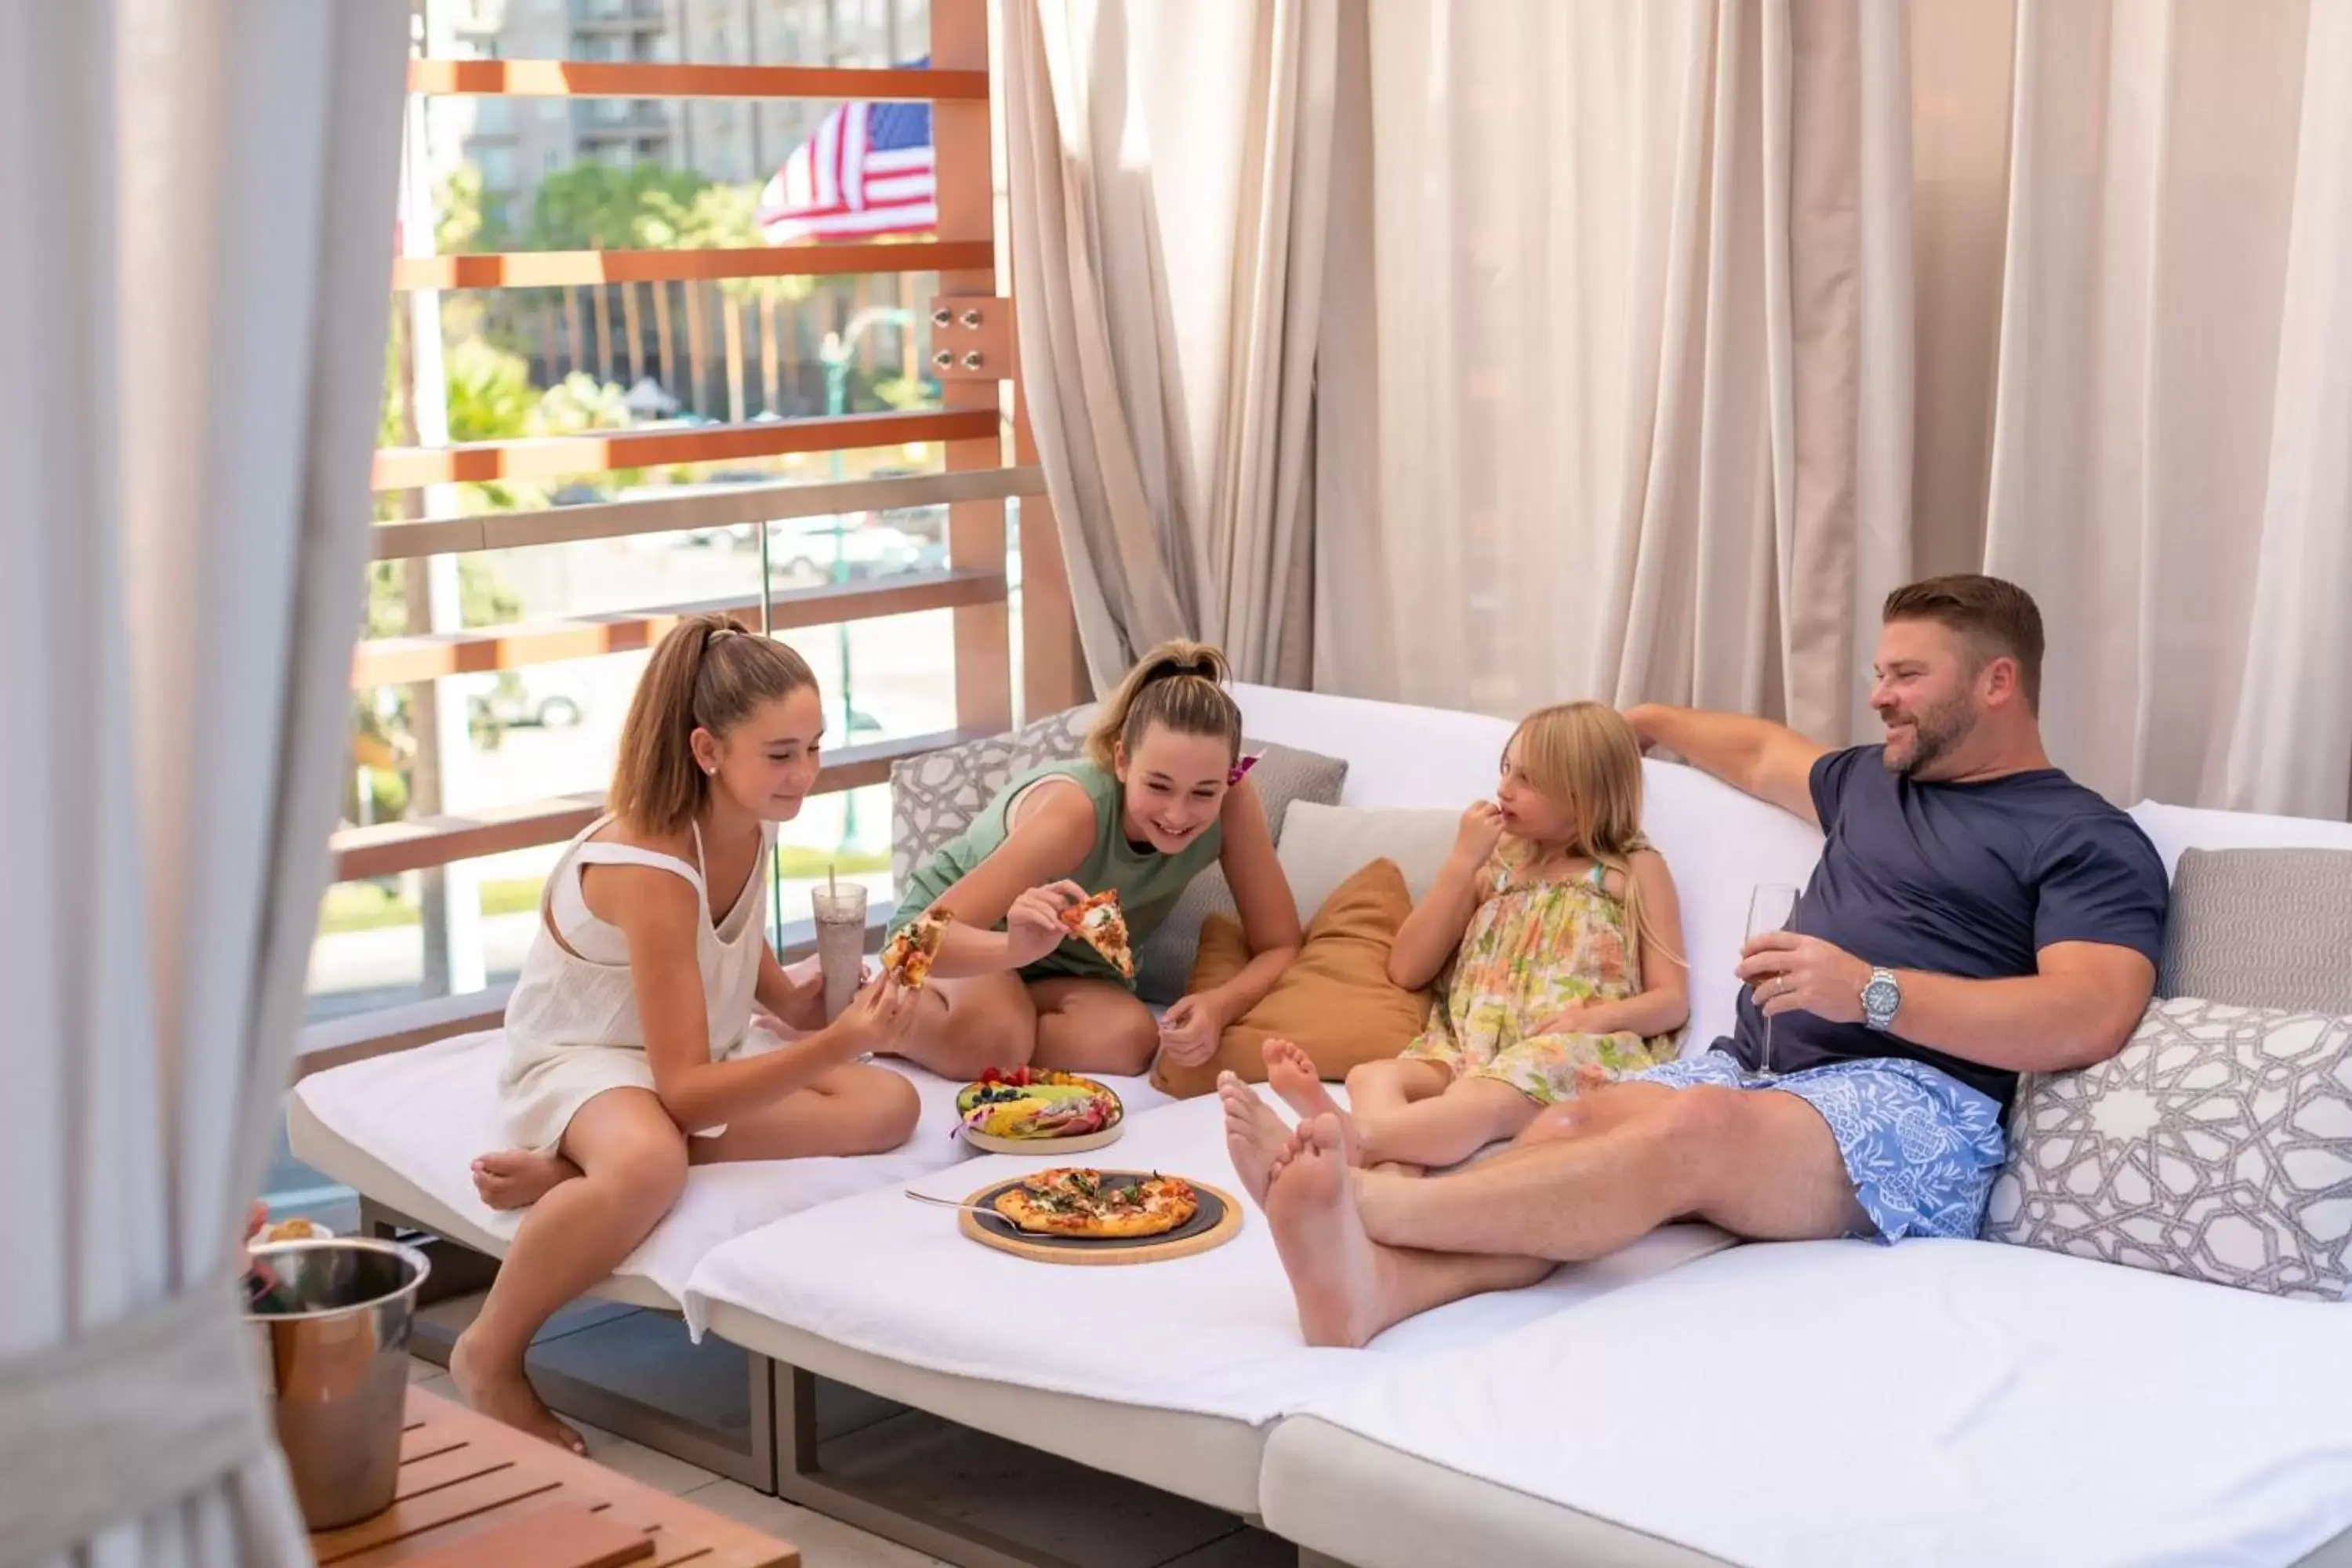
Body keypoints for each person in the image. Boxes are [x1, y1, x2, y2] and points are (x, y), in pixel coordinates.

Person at [1225, 575, 2169, 1348]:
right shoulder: (1873, 783)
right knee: (1567, 1133)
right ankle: (1373, 1291)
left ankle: (1361, 1200)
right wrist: (1645, 721)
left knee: (1694, 1127)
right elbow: (1759, 750)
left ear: (1998, 683)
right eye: (1880, 672)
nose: (1878, 696)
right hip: (1754, 1071)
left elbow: (2090, 1011)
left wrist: (1872, 992)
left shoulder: (2081, 835)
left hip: (1917, 1102)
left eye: (1906, 676)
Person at [456, 615, 922, 1450]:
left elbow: (764, 991)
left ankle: (569, 1168)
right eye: (781, 754)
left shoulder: (750, 822)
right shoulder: (651, 866)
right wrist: (835, 1042)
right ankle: (488, 1352)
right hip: (588, 1061)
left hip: (686, 1059)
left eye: (814, 746)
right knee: (648, 1159)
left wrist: (851, 1001)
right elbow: (683, 1090)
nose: (805, 774)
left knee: (889, 1104)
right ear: (709, 750)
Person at [1256, 702, 1688, 1173]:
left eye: (1528, 779)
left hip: (1566, 1051)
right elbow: (1406, 969)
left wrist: (1596, 1021)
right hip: (1467, 1045)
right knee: (1372, 1075)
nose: (1504, 788)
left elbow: (1671, 1000)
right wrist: (1462, 864)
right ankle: (1384, 1188)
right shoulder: (1498, 868)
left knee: (1477, 1098)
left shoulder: (1630, 870)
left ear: (1584, 793)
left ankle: (1357, 1139)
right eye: (1506, 769)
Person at [887, 641, 1304, 1079]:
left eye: (1204, 792)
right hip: (962, 943)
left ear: (1230, 775)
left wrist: (1219, 1008)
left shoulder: (1234, 803)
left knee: (1131, 1041)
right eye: (1159, 786)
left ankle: (994, 1026)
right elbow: (916, 946)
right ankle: (868, 1006)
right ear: (1122, 760)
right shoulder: (1074, 816)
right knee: (996, 1040)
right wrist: (1013, 948)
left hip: (1061, 972)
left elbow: (1280, 945)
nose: (1178, 815)